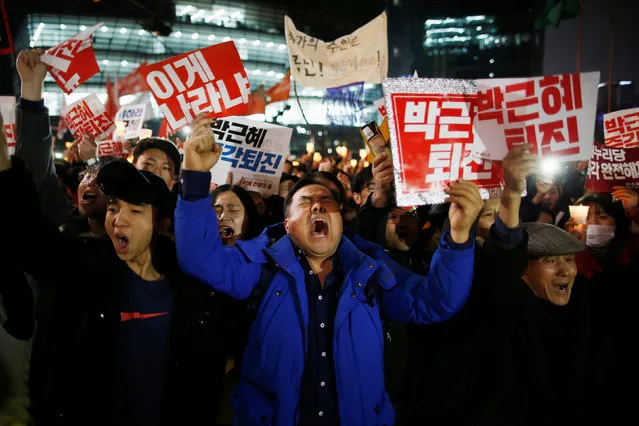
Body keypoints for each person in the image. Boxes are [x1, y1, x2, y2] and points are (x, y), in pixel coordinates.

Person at [174, 115, 481, 425]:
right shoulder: (261, 263)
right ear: (288, 223)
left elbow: (434, 302)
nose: (318, 206)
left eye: (327, 201)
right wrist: (196, 177)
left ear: (340, 221)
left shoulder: (370, 267)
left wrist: (457, 236)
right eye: (305, 201)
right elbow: (201, 260)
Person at [0, 122, 229, 426]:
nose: (119, 220)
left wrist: (196, 176)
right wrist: (4, 164)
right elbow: (32, 239)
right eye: (113, 208)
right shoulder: (88, 266)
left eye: (135, 211)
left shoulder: (189, 285)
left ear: (160, 225)